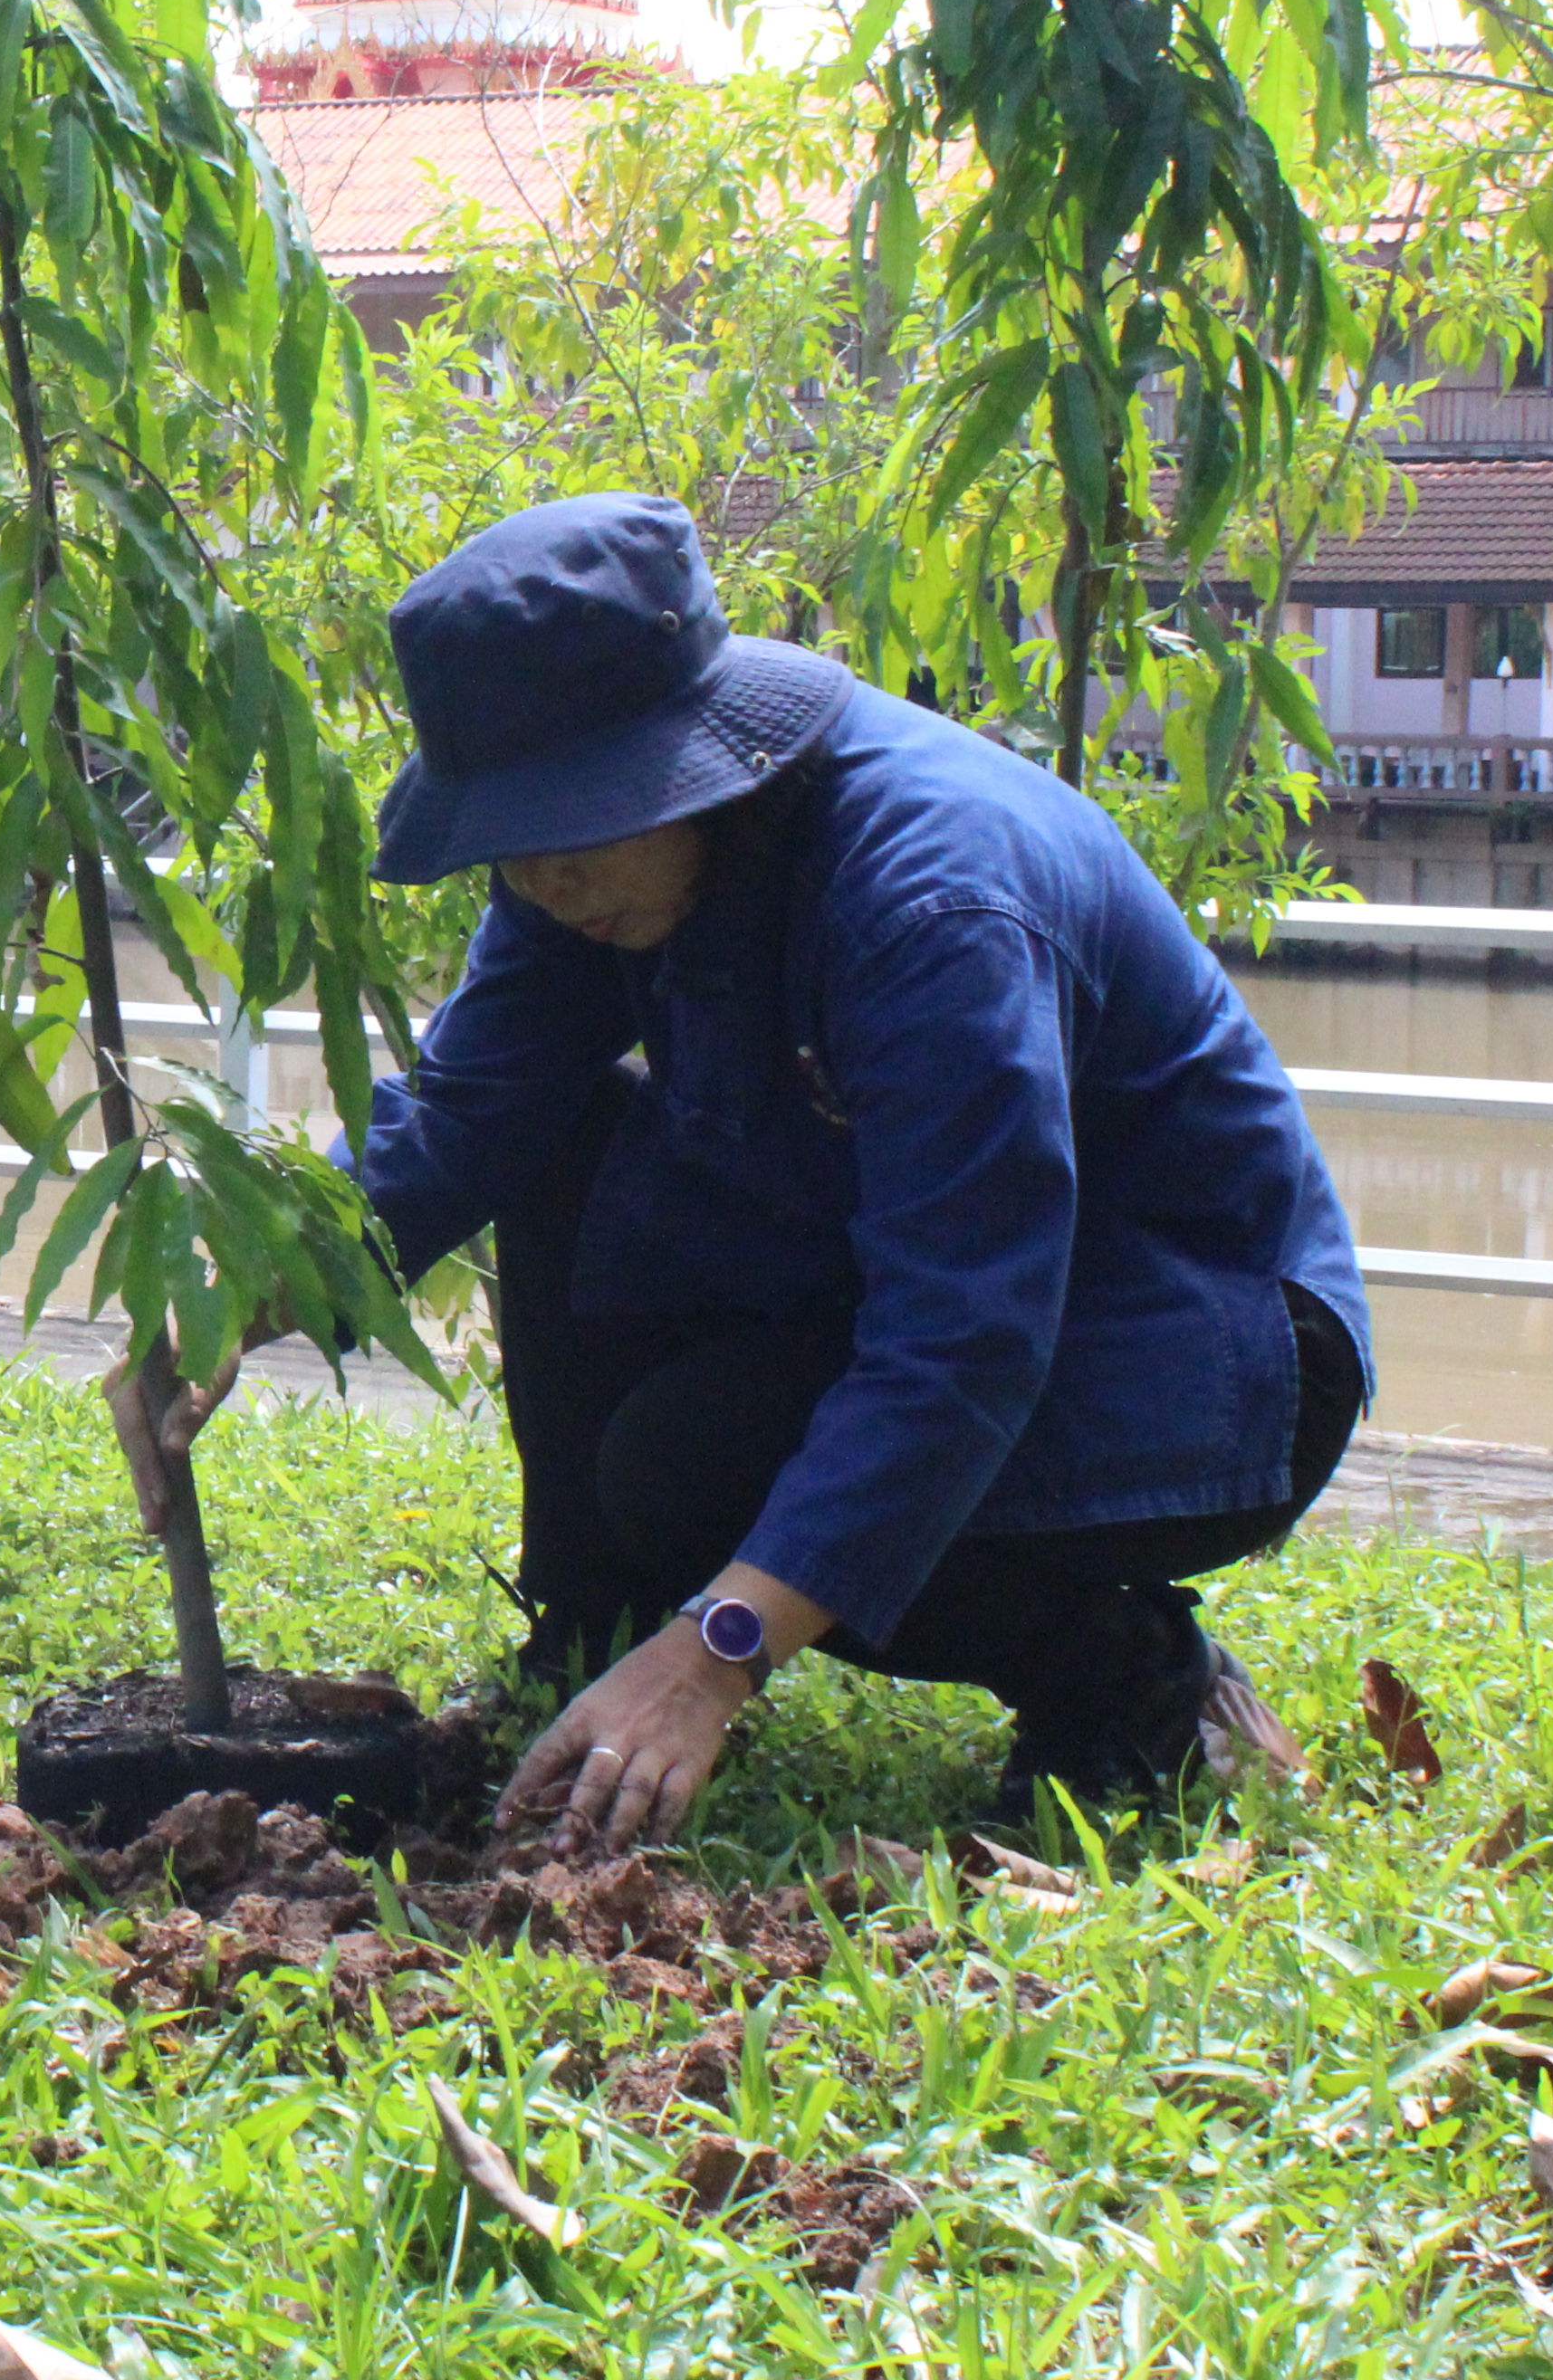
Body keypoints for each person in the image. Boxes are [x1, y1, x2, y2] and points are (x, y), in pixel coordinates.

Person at [122, 492, 1366, 1847]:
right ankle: (592, 1639)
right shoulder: (591, 880)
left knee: (690, 1472)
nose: (539, 881)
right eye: (510, 845)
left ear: (694, 764)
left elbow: (963, 1337)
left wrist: (719, 1652)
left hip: (1210, 1351)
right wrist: (246, 1286)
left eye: (571, 832)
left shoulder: (932, 903)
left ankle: (1137, 1691)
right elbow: (470, 1111)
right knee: (566, 1148)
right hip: (901, 1269)